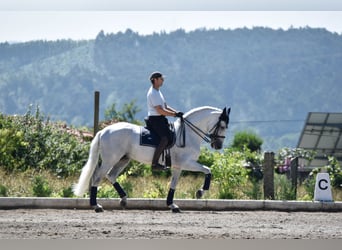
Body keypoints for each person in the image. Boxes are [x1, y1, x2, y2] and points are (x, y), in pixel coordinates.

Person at [146, 71, 183, 171]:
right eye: (161, 79)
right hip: (155, 119)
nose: (163, 80)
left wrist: (177, 112)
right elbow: (160, 110)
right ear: (155, 80)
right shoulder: (153, 93)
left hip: (160, 119)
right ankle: (155, 164)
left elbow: (165, 106)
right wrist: (174, 115)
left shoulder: (158, 91)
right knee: (165, 138)